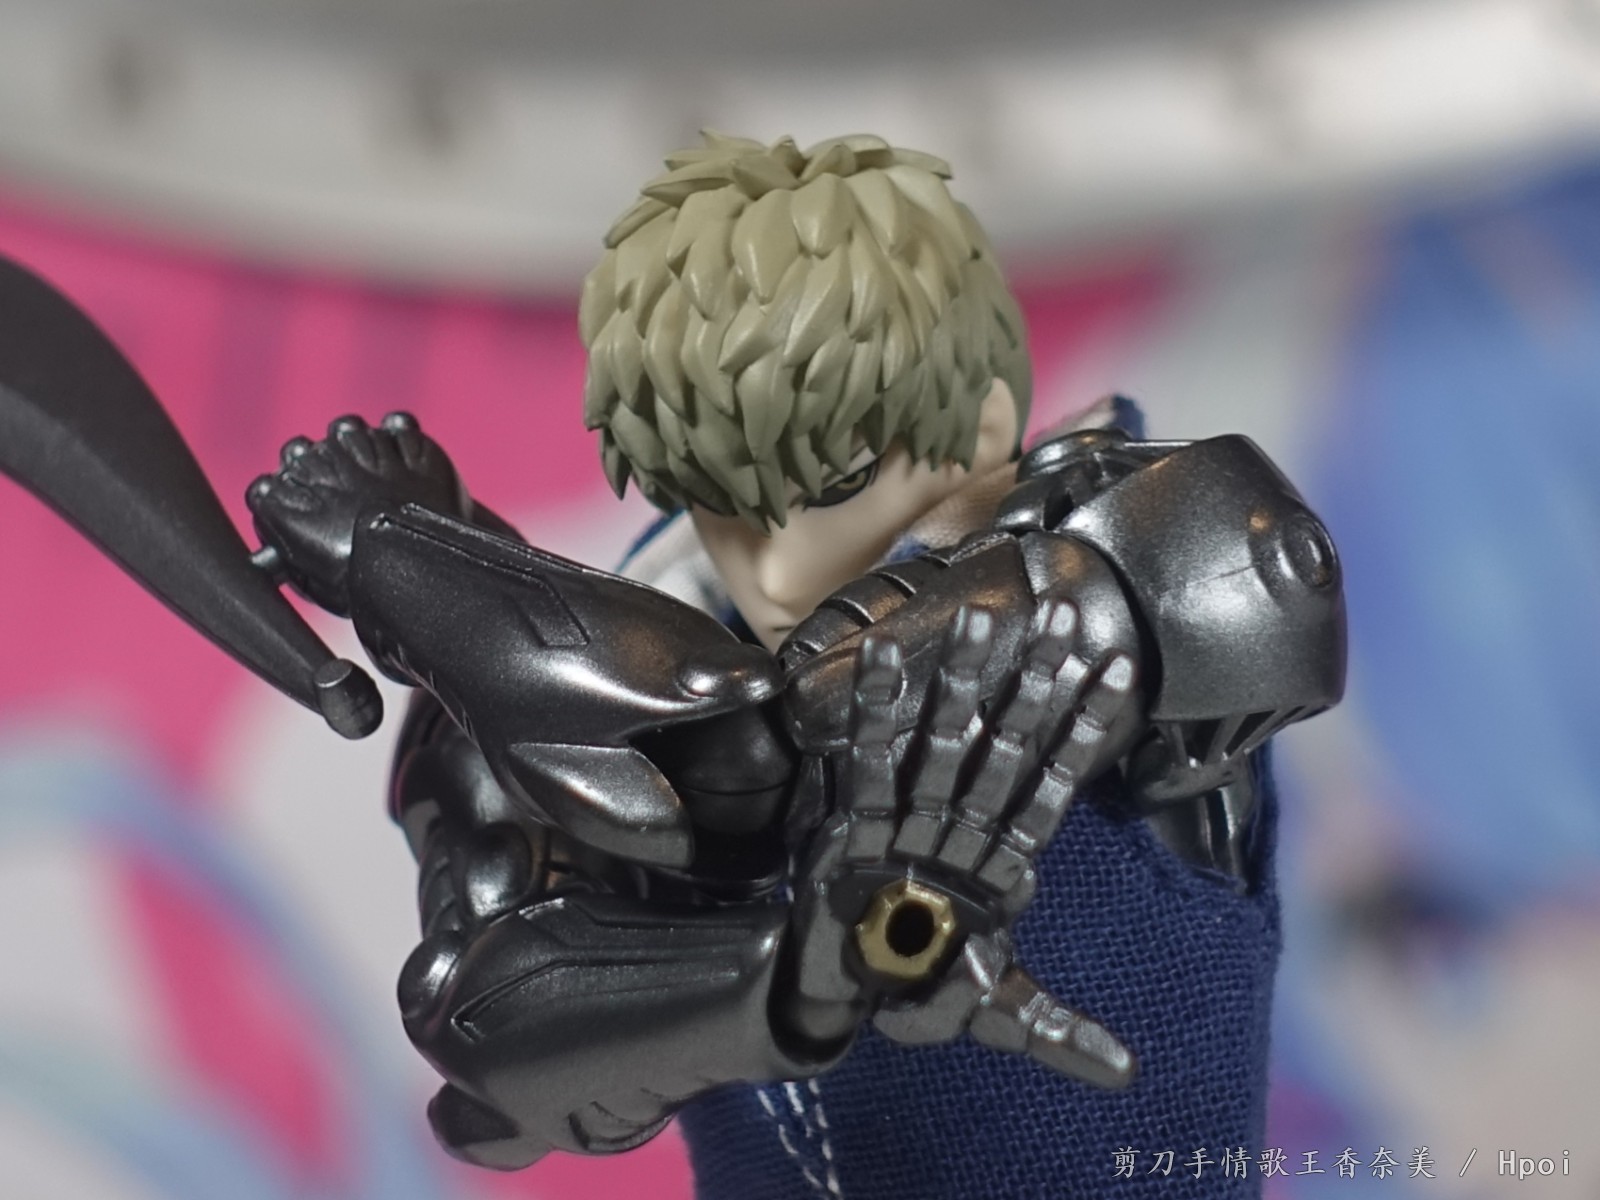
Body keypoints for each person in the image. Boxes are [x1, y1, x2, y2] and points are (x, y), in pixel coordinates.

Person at [241, 131, 1345, 1198]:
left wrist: (410, 561)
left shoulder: (1135, 551)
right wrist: (775, 984)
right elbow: (484, 1056)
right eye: (717, 498)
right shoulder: (661, 626)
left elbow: (756, 757)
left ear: (980, 417)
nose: (771, 566)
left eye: (831, 481)